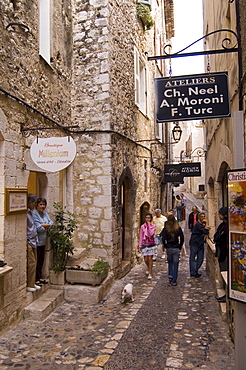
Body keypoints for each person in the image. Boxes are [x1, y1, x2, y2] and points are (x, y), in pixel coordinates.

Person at [33, 197, 53, 285]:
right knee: (35, 261)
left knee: (41, 260)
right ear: (37, 205)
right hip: (36, 241)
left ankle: (40, 277)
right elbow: (38, 227)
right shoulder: (34, 213)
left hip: (43, 241)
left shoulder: (44, 214)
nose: (42, 206)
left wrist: (45, 225)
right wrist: (45, 226)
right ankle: (35, 279)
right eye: (40, 204)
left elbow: (51, 223)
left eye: (44, 204)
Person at [160, 215, 184, 286]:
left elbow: (163, 238)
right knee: (175, 264)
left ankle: (170, 275)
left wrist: (165, 245)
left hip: (169, 248)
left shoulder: (166, 229)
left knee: (170, 262)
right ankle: (174, 280)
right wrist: (180, 246)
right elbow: (182, 238)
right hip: (176, 247)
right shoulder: (178, 228)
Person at [26, 194, 41, 292]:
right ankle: (29, 284)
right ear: (30, 202)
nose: (36, 205)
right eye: (35, 203)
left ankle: (33, 282)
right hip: (29, 240)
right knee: (31, 263)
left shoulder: (31, 212)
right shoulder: (25, 213)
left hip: (34, 240)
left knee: (35, 262)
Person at [214, 207, 228, 302]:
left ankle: (227, 295)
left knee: (225, 272)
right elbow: (216, 236)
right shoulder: (222, 225)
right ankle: (226, 294)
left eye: (220, 214)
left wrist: (218, 237)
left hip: (225, 253)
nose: (218, 215)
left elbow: (221, 237)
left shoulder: (227, 227)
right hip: (221, 252)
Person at [189, 213, 210, 278]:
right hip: (195, 243)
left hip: (200, 243)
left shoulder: (201, 225)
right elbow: (205, 231)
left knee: (200, 258)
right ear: (199, 218)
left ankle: (195, 270)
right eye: (202, 217)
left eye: (204, 216)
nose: (203, 218)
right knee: (193, 257)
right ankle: (193, 272)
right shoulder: (198, 225)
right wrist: (206, 226)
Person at [138, 213, 157, 280]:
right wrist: (139, 246)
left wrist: (149, 227)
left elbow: (151, 234)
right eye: (146, 218)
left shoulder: (153, 226)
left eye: (149, 218)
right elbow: (141, 236)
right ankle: (149, 268)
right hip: (144, 244)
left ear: (151, 218)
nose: (147, 219)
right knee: (145, 259)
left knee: (150, 258)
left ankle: (150, 273)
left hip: (151, 244)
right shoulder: (142, 227)